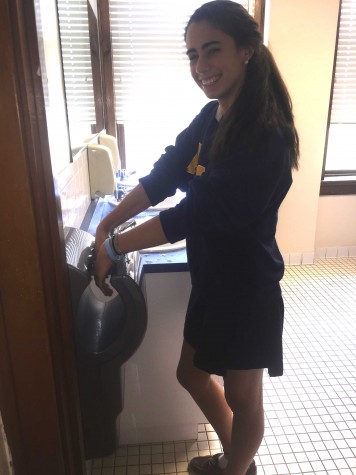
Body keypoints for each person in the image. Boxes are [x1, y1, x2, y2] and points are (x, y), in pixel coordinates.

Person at [94, 1, 299, 474]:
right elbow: (167, 172)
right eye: (192, 55)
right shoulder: (212, 117)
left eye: (212, 51)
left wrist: (112, 247)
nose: (201, 67)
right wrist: (111, 222)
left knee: (244, 396)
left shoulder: (266, 136)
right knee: (191, 373)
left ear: (246, 50)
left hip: (247, 287)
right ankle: (238, 462)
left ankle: (235, 467)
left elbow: (195, 213)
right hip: (213, 280)